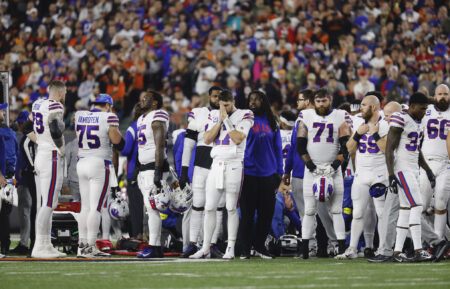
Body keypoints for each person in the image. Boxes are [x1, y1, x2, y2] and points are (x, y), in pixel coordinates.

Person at [190, 90, 254, 259]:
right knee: (209, 207)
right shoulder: (213, 115)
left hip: (234, 164)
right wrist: (219, 121)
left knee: (231, 207)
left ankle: (230, 247)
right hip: (216, 164)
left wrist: (226, 121)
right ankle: (205, 247)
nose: (223, 108)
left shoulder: (245, 114)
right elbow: (207, 138)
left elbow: (238, 138)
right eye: (221, 105)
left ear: (233, 102)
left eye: (226, 105)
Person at [296, 88, 351, 259]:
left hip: (333, 170)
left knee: (336, 210)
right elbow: (300, 145)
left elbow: (345, 145)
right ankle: (305, 251)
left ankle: (341, 249)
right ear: (314, 102)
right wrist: (311, 166)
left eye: (324, 101)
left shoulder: (341, 116)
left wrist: (334, 166)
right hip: (312, 170)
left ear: (330, 99)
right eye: (318, 101)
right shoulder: (306, 116)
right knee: (309, 211)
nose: (321, 104)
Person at [284, 89, 338, 257]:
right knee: (305, 214)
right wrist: (287, 172)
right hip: (300, 173)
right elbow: (294, 149)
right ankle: (312, 246)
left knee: (325, 212)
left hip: (316, 171)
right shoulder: (301, 121)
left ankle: (335, 243)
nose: (297, 104)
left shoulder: (319, 119)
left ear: (307, 102)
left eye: (300, 100)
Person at [336, 94, 388, 259]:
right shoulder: (357, 121)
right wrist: (357, 134)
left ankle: (382, 248)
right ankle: (352, 249)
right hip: (361, 174)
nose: (361, 108)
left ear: (373, 107)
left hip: (380, 173)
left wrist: (375, 134)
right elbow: (349, 148)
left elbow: (387, 150)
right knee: (357, 212)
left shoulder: (385, 123)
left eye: (364, 105)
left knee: (381, 213)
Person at [385, 92, 435, 262]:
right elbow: (389, 148)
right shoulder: (401, 118)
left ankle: (397, 252)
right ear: (412, 106)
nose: (423, 111)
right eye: (422, 108)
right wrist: (391, 174)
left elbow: (416, 150)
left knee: (406, 209)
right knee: (417, 205)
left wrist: (427, 170)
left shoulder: (417, 121)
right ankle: (418, 249)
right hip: (403, 169)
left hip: (413, 169)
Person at [75, 94, 124, 258]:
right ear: (108, 105)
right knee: (96, 207)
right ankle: (90, 246)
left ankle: (82, 246)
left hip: (81, 162)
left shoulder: (80, 115)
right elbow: (117, 141)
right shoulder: (109, 116)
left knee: (85, 207)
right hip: (98, 163)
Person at [179, 86, 224, 258]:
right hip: (201, 164)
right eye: (214, 96)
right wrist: (184, 171)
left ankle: (212, 244)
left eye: (220, 97)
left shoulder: (229, 114)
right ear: (209, 97)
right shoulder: (198, 113)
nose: (217, 99)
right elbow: (188, 145)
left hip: (219, 164)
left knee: (217, 207)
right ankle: (192, 243)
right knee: (197, 205)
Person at [238, 90, 283, 259]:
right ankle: (244, 249)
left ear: (263, 101)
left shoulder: (273, 122)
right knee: (247, 215)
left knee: (266, 214)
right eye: (251, 99)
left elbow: (278, 148)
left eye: (256, 99)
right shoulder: (243, 119)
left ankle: (259, 246)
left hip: (268, 174)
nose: (253, 102)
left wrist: (280, 172)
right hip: (248, 172)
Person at [28, 80, 67, 258]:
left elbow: (28, 126)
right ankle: (38, 245)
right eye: (64, 93)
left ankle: (46, 244)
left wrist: (42, 143)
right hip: (50, 156)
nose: (65, 96)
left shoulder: (38, 103)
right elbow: (54, 129)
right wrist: (60, 147)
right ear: (60, 93)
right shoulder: (55, 106)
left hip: (41, 154)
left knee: (47, 203)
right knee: (49, 203)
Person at [135, 90, 170, 258]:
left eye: (146, 97)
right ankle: (154, 245)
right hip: (144, 168)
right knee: (149, 210)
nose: (142, 99)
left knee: (152, 210)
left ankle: (155, 246)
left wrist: (157, 170)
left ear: (155, 102)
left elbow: (159, 145)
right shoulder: (142, 118)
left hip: (152, 168)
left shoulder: (158, 115)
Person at [419, 84, 450, 239]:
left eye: (446, 94)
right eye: (440, 94)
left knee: (440, 204)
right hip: (426, 163)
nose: (443, 97)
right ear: (434, 95)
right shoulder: (426, 110)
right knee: (422, 205)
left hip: (446, 164)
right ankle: (430, 240)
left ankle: (439, 242)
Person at [121, 103, 145, 239]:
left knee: (135, 206)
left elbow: (126, 150)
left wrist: (117, 145)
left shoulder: (133, 128)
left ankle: (137, 235)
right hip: (150, 170)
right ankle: (150, 236)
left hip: (134, 171)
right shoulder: (152, 126)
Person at [0, 102, 18, 256]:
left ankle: (5, 245)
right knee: (5, 213)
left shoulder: (8, 133)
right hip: (7, 176)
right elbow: (13, 155)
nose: (4, 113)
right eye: (1, 110)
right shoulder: (10, 134)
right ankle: (5, 245)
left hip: (4, 175)